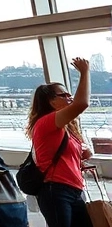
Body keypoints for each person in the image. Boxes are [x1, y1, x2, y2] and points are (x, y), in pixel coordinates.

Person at [27, 57, 93, 227]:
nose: (69, 96)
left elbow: (78, 153)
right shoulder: (46, 122)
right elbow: (82, 103)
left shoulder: (65, 127)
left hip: (74, 189)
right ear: (50, 101)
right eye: (63, 95)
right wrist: (85, 72)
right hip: (56, 189)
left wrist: (84, 153)